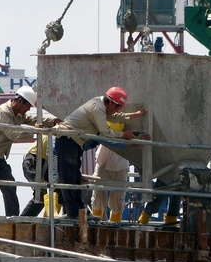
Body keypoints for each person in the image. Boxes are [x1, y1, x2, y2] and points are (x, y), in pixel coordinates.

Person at [0, 86, 60, 216]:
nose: (28, 109)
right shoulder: (4, 111)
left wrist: (53, 121)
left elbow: (32, 120)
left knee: (10, 186)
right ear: (19, 101)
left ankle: (13, 217)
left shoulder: (18, 114)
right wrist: (34, 131)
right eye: (28, 106)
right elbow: (12, 134)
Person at [54, 86, 146, 220]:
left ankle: (80, 211)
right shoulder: (97, 108)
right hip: (67, 140)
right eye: (118, 106)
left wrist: (132, 116)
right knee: (68, 177)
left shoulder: (101, 105)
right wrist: (124, 135)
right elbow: (106, 132)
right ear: (111, 102)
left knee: (75, 177)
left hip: (74, 141)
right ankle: (73, 213)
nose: (119, 110)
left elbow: (113, 116)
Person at [90, 122, 132, 223]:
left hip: (121, 159)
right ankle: (95, 226)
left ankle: (114, 226)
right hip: (103, 158)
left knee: (118, 199)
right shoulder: (105, 112)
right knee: (98, 196)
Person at [19, 135, 62, 217]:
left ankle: (47, 218)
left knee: (52, 192)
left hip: (45, 163)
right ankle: (24, 220)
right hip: (33, 159)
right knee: (41, 191)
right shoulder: (54, 133)